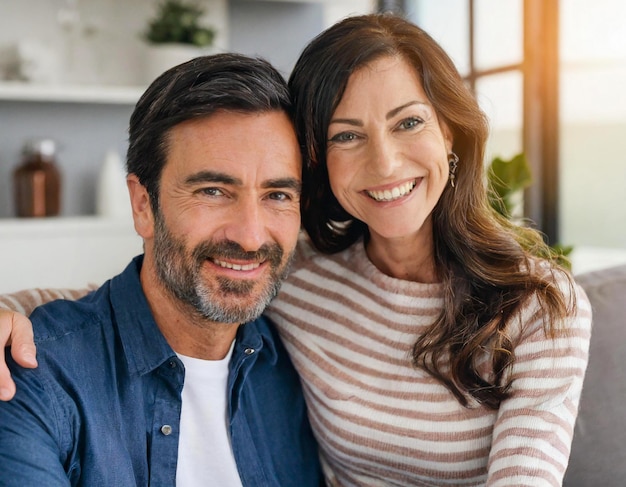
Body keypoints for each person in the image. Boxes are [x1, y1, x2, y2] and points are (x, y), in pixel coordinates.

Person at [1, 13, 592, 486]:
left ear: (450, 131)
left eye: (409, 123)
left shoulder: (540, 305)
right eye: (346, 136)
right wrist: (12, 311)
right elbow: (147, 297)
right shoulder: (304, 276)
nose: (384, 163)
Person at [0, 53, 323, 486]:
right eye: (213, 191)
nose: (250, 236)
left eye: (278, 195)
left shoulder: (298, 365)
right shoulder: (33, 375)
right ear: (142, 205)